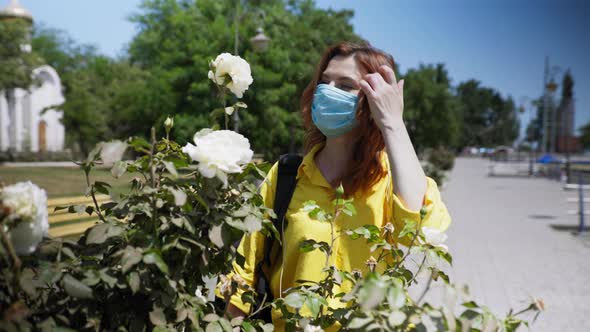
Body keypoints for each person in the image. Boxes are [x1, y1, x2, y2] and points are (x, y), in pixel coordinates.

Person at [223, 41, 452, 329]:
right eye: (324, 81)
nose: (328, 92)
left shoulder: (392, 179)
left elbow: (421, 234)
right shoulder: (286, 175)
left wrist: (393, 122)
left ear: (373, 99)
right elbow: (243, 273)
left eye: (345, 85)